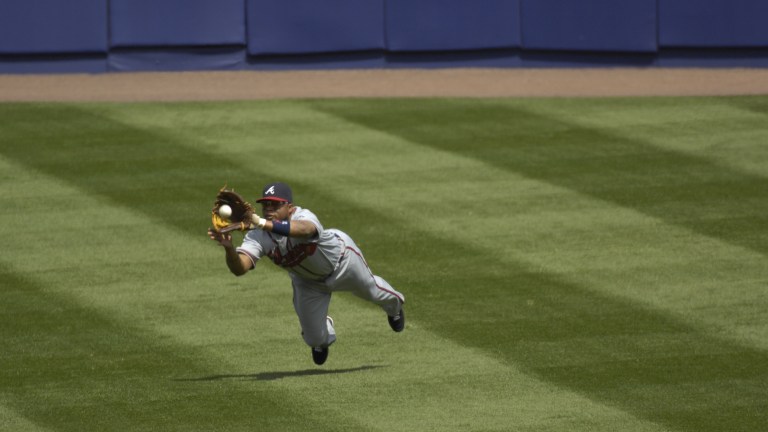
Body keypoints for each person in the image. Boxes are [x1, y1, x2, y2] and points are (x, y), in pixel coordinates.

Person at [207, 181, 405, 365]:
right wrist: (229, 248)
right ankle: (323, 328)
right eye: (265, 205)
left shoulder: (303, 216)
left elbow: (305, 230)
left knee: (373, 291)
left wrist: (261, 223)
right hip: (308, 283)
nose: (269, 209)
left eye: (275, 205)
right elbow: (239, 269)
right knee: (314, 339)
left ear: (290, 208)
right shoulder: (258, 236)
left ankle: (394, 309)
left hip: (343, 263)